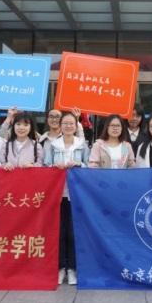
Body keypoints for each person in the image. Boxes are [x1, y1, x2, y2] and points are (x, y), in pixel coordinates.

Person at [44, 111, 90, 286]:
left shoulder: (82, 145)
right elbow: (45, 166)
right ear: (60, 126)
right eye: (65, 123)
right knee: (59, 232)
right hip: (58, 195)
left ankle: (72, 268)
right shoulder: (53, 146)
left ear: (76, 125)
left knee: (72, 232)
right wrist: (53, 167)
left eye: (72, 123)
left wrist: (80, 164)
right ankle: (60, 268)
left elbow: (90, 166)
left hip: (76, 196)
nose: (68, 126)